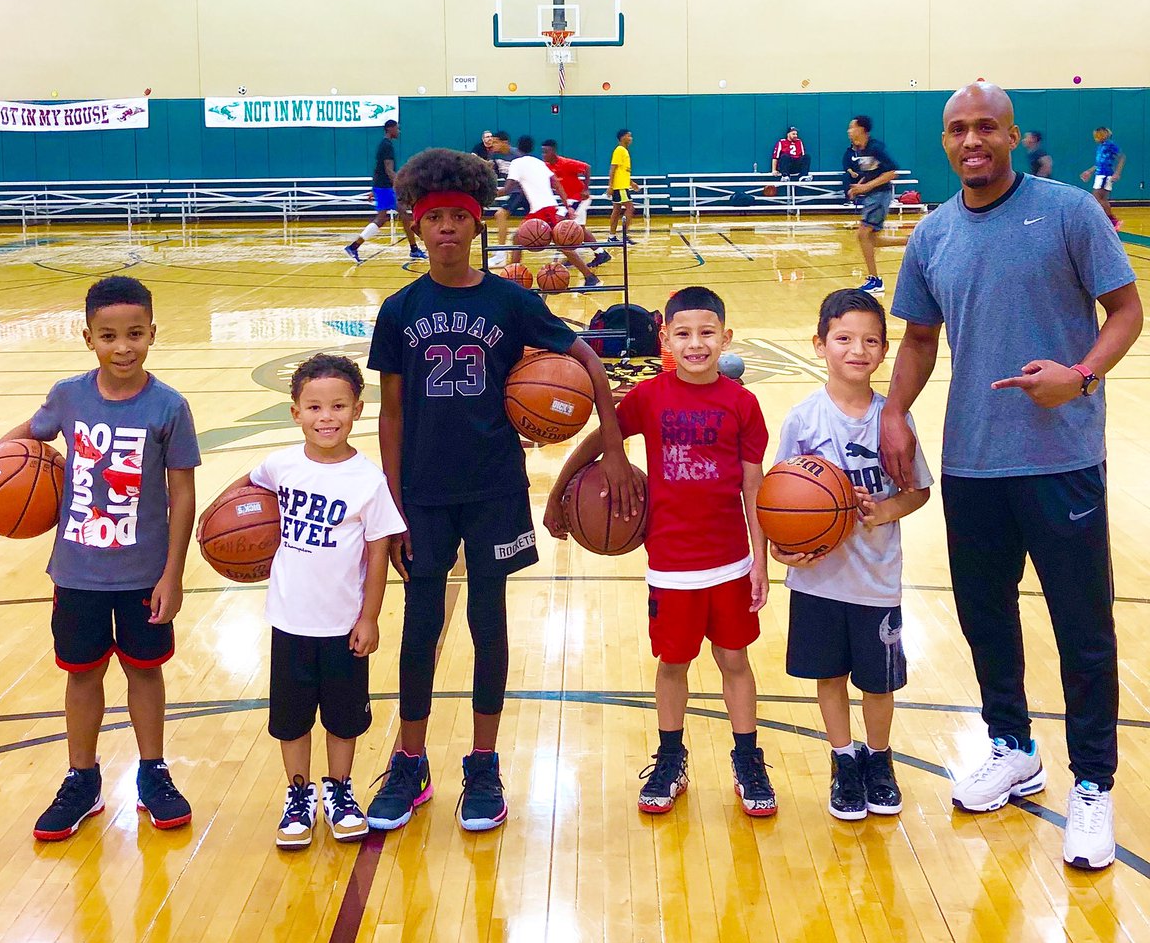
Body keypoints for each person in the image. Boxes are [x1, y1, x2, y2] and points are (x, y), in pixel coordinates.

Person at [882, 81, 1142, 870]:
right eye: (959, 129)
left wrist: (1083, 376)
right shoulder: (932, 235)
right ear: (945, 139)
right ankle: (1012, 746)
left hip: (1061, 458)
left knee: (1082, 630)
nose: (973, 140)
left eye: (987, 127)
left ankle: (1092, 783)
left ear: (1011, 133)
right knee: (986, 617)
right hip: (972, 461)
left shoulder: (1068, 212)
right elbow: (921, 339)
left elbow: (1127, 311)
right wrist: (895, 411)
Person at [364, 147, 638, 833]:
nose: (448, 229)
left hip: (493, 489)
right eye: (436, 220)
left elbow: (586, 359)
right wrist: (391, 504)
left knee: (490, 622)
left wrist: (610, 441)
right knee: (420, 627)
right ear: (416, 230)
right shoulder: (399, 310)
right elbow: (390, 413)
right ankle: (410, 759)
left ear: (479, 224)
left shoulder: (511, 302)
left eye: (460, 217)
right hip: (422, 494)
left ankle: (483, 763)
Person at [0, 275, 199, 840]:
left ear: (153, 334)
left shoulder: (169, 406)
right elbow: (30, 438)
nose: (123, 347)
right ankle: (82, 778)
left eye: (135, 334)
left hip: (143, 574)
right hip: (77, 572)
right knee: (82, 674)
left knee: (146, 672)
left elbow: (183, 492)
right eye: (109, 335)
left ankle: (152, 772)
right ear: (87, 336)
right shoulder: (69, 396)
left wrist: (174, 572)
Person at [545, 286, 776, 819]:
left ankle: (748, 759)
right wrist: (560, 493)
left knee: (734, 661)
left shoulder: (743, 403)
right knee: (673, 662)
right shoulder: (650, 397)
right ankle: (671, 757)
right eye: (684, 334)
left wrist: (760, 560)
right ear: (666, 339)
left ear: (726, 338)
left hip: (731, 561)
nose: (696, 344)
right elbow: (603, 438)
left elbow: (752, 486)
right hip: (671, 564)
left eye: (707, 333)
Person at [199, 354, 404, 848]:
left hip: (342, 624)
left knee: (343, 718)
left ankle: (339, 791)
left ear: (357, 409)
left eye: (337, 406)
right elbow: (245, 490)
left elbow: (378, 555)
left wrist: (370, 616)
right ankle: (298, 796)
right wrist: (215, 520)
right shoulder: (281, 465)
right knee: (291, 720)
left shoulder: (368, 480)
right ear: (295, 412)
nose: (326, 417)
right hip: (289, 620)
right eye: (313, 407)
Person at [772, 289, 931, 820]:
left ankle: (879, 760)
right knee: (830, 677)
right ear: (820, 345)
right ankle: (843, 759)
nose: (856, 350)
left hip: (876, 579)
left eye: (869, 341)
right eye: (843, 339)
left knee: (879, 682)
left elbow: (920, 490)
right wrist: (786, 542)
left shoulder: (894, 420)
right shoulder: (803, 420)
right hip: (818, 579)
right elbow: (778, 496)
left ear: (884, 351)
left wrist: (882, 512)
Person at [501, 135, 599, 286]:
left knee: (560, 243)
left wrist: (489, 193)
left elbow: (508, 189)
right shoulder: (540, 163)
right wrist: (566, 205)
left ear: (517, 147)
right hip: (547, 207)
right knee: (518, 239)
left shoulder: (516, 163)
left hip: (542, 210)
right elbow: (557, 185)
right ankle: (513, 279)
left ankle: (590, 277)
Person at [345, 120, 426, 264]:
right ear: (390, 129)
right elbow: (388, 170)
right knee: (395, 216)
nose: (399, 131)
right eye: (397, 128)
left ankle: (413, 249)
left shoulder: (384, 145)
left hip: (381, 186)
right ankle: (354, 246)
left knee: (394, 216)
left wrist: (374, 189)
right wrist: (401, 184)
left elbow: (379, 169)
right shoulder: (387, 146)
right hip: (385, 187)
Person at [847, 115, 903, 297]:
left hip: (880, 195)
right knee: (872, 239)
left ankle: (875, 280)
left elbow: (892, 172)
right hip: (872, 195)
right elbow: (873, 173)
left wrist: (866, 187)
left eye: (852, 127)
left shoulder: (876, 148)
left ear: (861, 129)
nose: (849, 131)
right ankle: (911, 241)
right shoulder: (860, 150)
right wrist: (859, 186)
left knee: (862, 234)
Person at [542, 140, 612, 269]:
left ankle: (572, 255)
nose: (543, 155)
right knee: (580, 229)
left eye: (546, 152)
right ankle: (601, 253)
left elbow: (587, 168)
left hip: (579, 197)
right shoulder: (546, 166)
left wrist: (586, 188)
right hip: (568, 200)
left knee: (563, 223)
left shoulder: (566, 163)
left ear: (553, 151)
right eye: (543, 152)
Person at [486, 131, 527, 268]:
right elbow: (492, 170)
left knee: (500, 214)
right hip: (515, 193)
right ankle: (501, 254)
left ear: (505, 142)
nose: (493, 144)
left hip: (523, 191)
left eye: (496, 142)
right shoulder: (494, 155)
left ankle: (500, 255)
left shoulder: (517, 156)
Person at [1081, 125, 1125, 229]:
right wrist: (1089, 171)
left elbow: (1122, 157)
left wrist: (1117, 172)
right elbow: (1099, 163)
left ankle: (1112, 220)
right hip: (1100, 174)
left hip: (1105, 175)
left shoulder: (1110, 145)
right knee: (1100, 198)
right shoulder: (1101, 146)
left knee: (1098, 197)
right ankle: (1108, 220)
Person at [605, 128, 640, 248]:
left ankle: (612, 236)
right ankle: (625, 235)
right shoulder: (619, 150)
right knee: (630, 208)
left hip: (623, 186)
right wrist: (610, 186)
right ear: (622, 137)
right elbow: (613, 169)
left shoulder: (624, 151)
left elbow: (623, 172)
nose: (631, 138)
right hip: (620, 187)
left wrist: (632, 183)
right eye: (628, 136)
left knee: (616, 210)